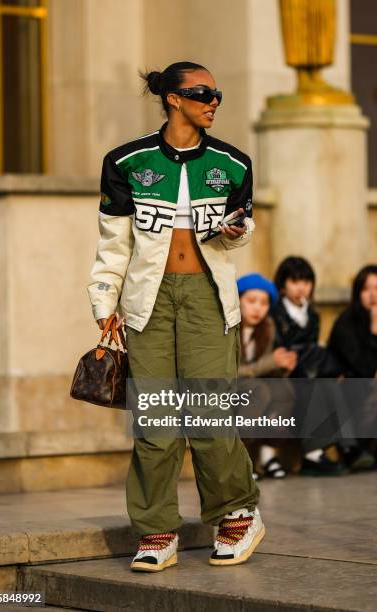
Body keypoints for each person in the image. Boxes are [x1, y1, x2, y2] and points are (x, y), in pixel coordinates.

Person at [87, 61, 264, 572]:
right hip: (148, 300)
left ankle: (236, 514)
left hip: (208, 297)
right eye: (203, 92)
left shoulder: (234, 162)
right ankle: (156, 529)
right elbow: (113, 243)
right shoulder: (125, 161)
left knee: (209, 415)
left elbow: (242, 224)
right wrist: (105, 302)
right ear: (172, 98)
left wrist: (236, 232)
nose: (214, 101)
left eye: (217, 93)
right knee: (157, 422)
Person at [271, 256, 347, 476]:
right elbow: (280, 347)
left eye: (306, 281)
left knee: (329, 383)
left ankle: (339, 448)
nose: (301, 287)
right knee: (313, 387)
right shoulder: (276, 312)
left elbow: (312, 347)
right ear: (283, 285)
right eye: (294, 281)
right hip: (285, 373)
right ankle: (314, 453)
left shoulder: (312, 313)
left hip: (308, 371)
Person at [237, 273, 297, 480]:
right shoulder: (228, 327)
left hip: (253, 381)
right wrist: (270, 362)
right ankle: (243, 461)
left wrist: (283, 366)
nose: (257, 308)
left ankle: (268, 453)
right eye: (251, 301)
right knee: (258, 390)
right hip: (228, 384)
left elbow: (264, 368)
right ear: (238, 301)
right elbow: (231, 371)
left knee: (284, 388)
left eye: (263, 303)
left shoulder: (268, 327)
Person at [328, 264, 377, 470]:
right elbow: (362, 368)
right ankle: (355, 451)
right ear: (358, 293)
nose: (373, 295)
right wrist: (374, 331)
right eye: (367, 289)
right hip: (350, 398)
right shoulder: (346, 322)